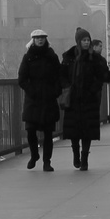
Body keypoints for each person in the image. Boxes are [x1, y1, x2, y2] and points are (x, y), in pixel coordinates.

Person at [61, 27, 110, 171]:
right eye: (84, 40)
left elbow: (100, 76)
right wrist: (66, 87)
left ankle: (84, 158)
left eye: (88, 40)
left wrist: (92, 89)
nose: (86, 43)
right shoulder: (68, 57)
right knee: (74, 130)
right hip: (73, 99)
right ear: (78, 41)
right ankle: (76, 154)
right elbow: (62, 75)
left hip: (89, 99)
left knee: (87, 130)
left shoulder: (95, 59)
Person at [17, 28, 65, 172]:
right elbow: (22, 79)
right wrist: (32, 91)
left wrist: (56, 91)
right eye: (37, 38)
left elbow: (59, 76)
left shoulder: (52, 56)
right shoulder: (28, 57)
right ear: (33, 40)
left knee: (48, 133)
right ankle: (34, 155)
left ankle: (47, 162)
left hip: (48, 99)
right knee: (30, 130)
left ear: (46, 39)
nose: (40, 40)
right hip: (33, 100)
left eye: (42, 38)